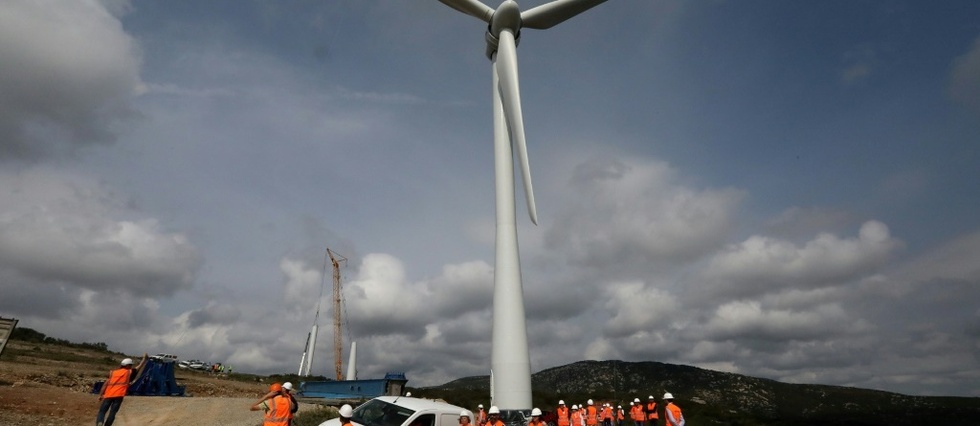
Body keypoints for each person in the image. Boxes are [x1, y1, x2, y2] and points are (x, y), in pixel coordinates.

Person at [95, 353, 148, 426]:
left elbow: (105, 384)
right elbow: (139, 366)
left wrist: (100, 395)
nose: (131, 367)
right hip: (119, 395)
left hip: (108, 395)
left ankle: (100, 422)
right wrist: (144, 359)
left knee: (102, 411)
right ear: (128, 365)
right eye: (130, 365)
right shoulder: (130, 372)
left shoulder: (113, 373)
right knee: (113, 412)